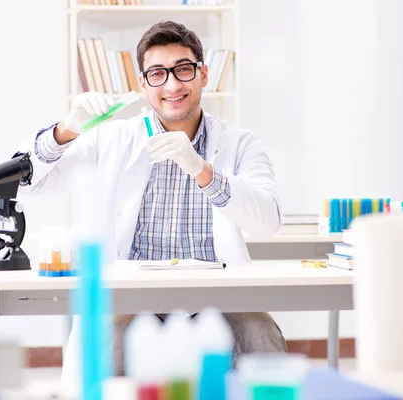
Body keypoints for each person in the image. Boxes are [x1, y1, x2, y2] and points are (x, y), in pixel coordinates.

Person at [18, 20, 287, 384]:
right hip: (132, 294)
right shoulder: (113, 139)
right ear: (143, 84)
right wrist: (66, 129)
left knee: (261, 334)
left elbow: (267, 220)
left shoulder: (241, 143)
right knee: (106, 342)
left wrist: (203, 171)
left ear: (203, 75)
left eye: (184, 70)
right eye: (158, 74)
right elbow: (31, 183)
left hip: (217, 294)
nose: (173, 85)